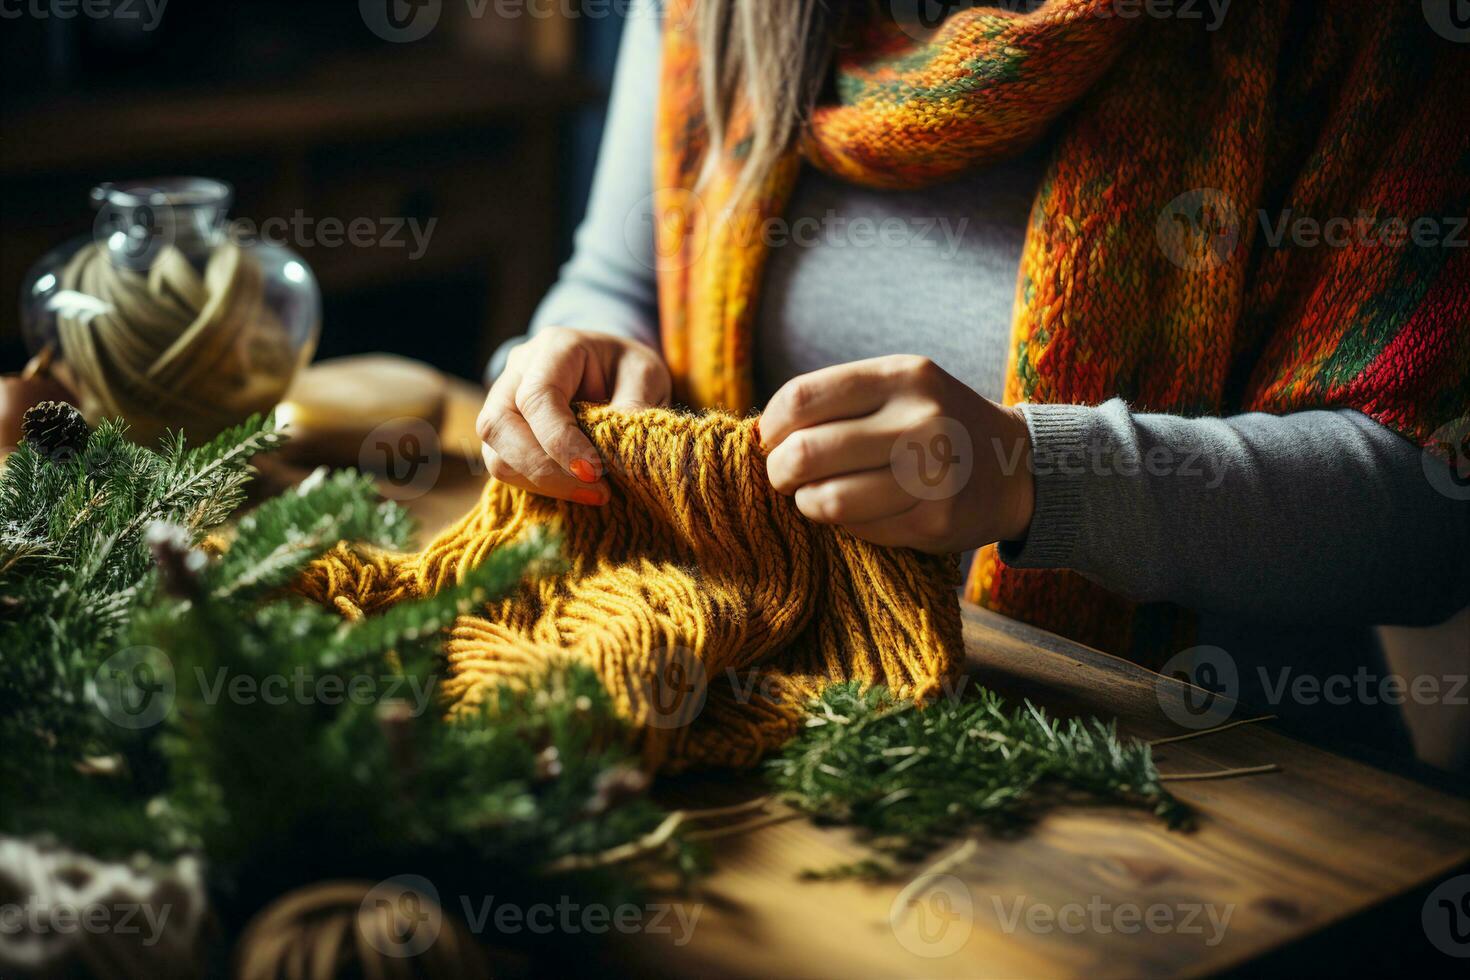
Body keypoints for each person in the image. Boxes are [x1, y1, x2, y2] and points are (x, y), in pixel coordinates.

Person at [478, 0, 1469, 754]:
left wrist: (1033, 473)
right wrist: (572, 354)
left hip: (1224, 784)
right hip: (795, 714)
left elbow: (1427, 517)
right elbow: (613, 280)